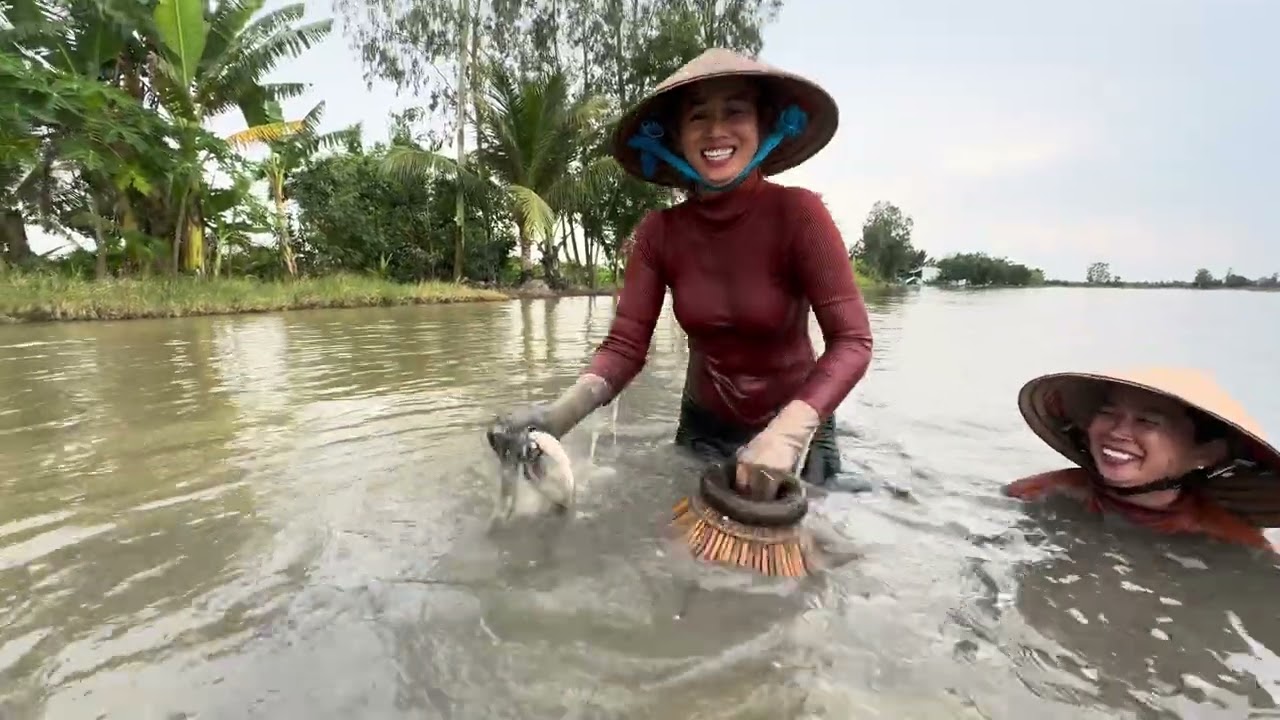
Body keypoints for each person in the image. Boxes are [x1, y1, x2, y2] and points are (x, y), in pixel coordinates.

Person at [486, 48, 874, 496]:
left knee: (815, 549)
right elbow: (626, 346)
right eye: (697, 117)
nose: (716, 130)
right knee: (677, 549)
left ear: (765, 125)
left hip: (800, 424)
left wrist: (788, 435)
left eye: (735, 111)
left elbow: (853, 341)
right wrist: (557, 416)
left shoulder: (799, 214)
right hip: (703, 429)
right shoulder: (659, 233)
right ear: (673, 138)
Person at [1003, 367, 1280, 551]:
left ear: (1206, 454)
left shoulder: (1233, 540)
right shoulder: (1045, 490)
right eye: (1109, 413)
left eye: (1148, 421)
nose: (1118, 432)